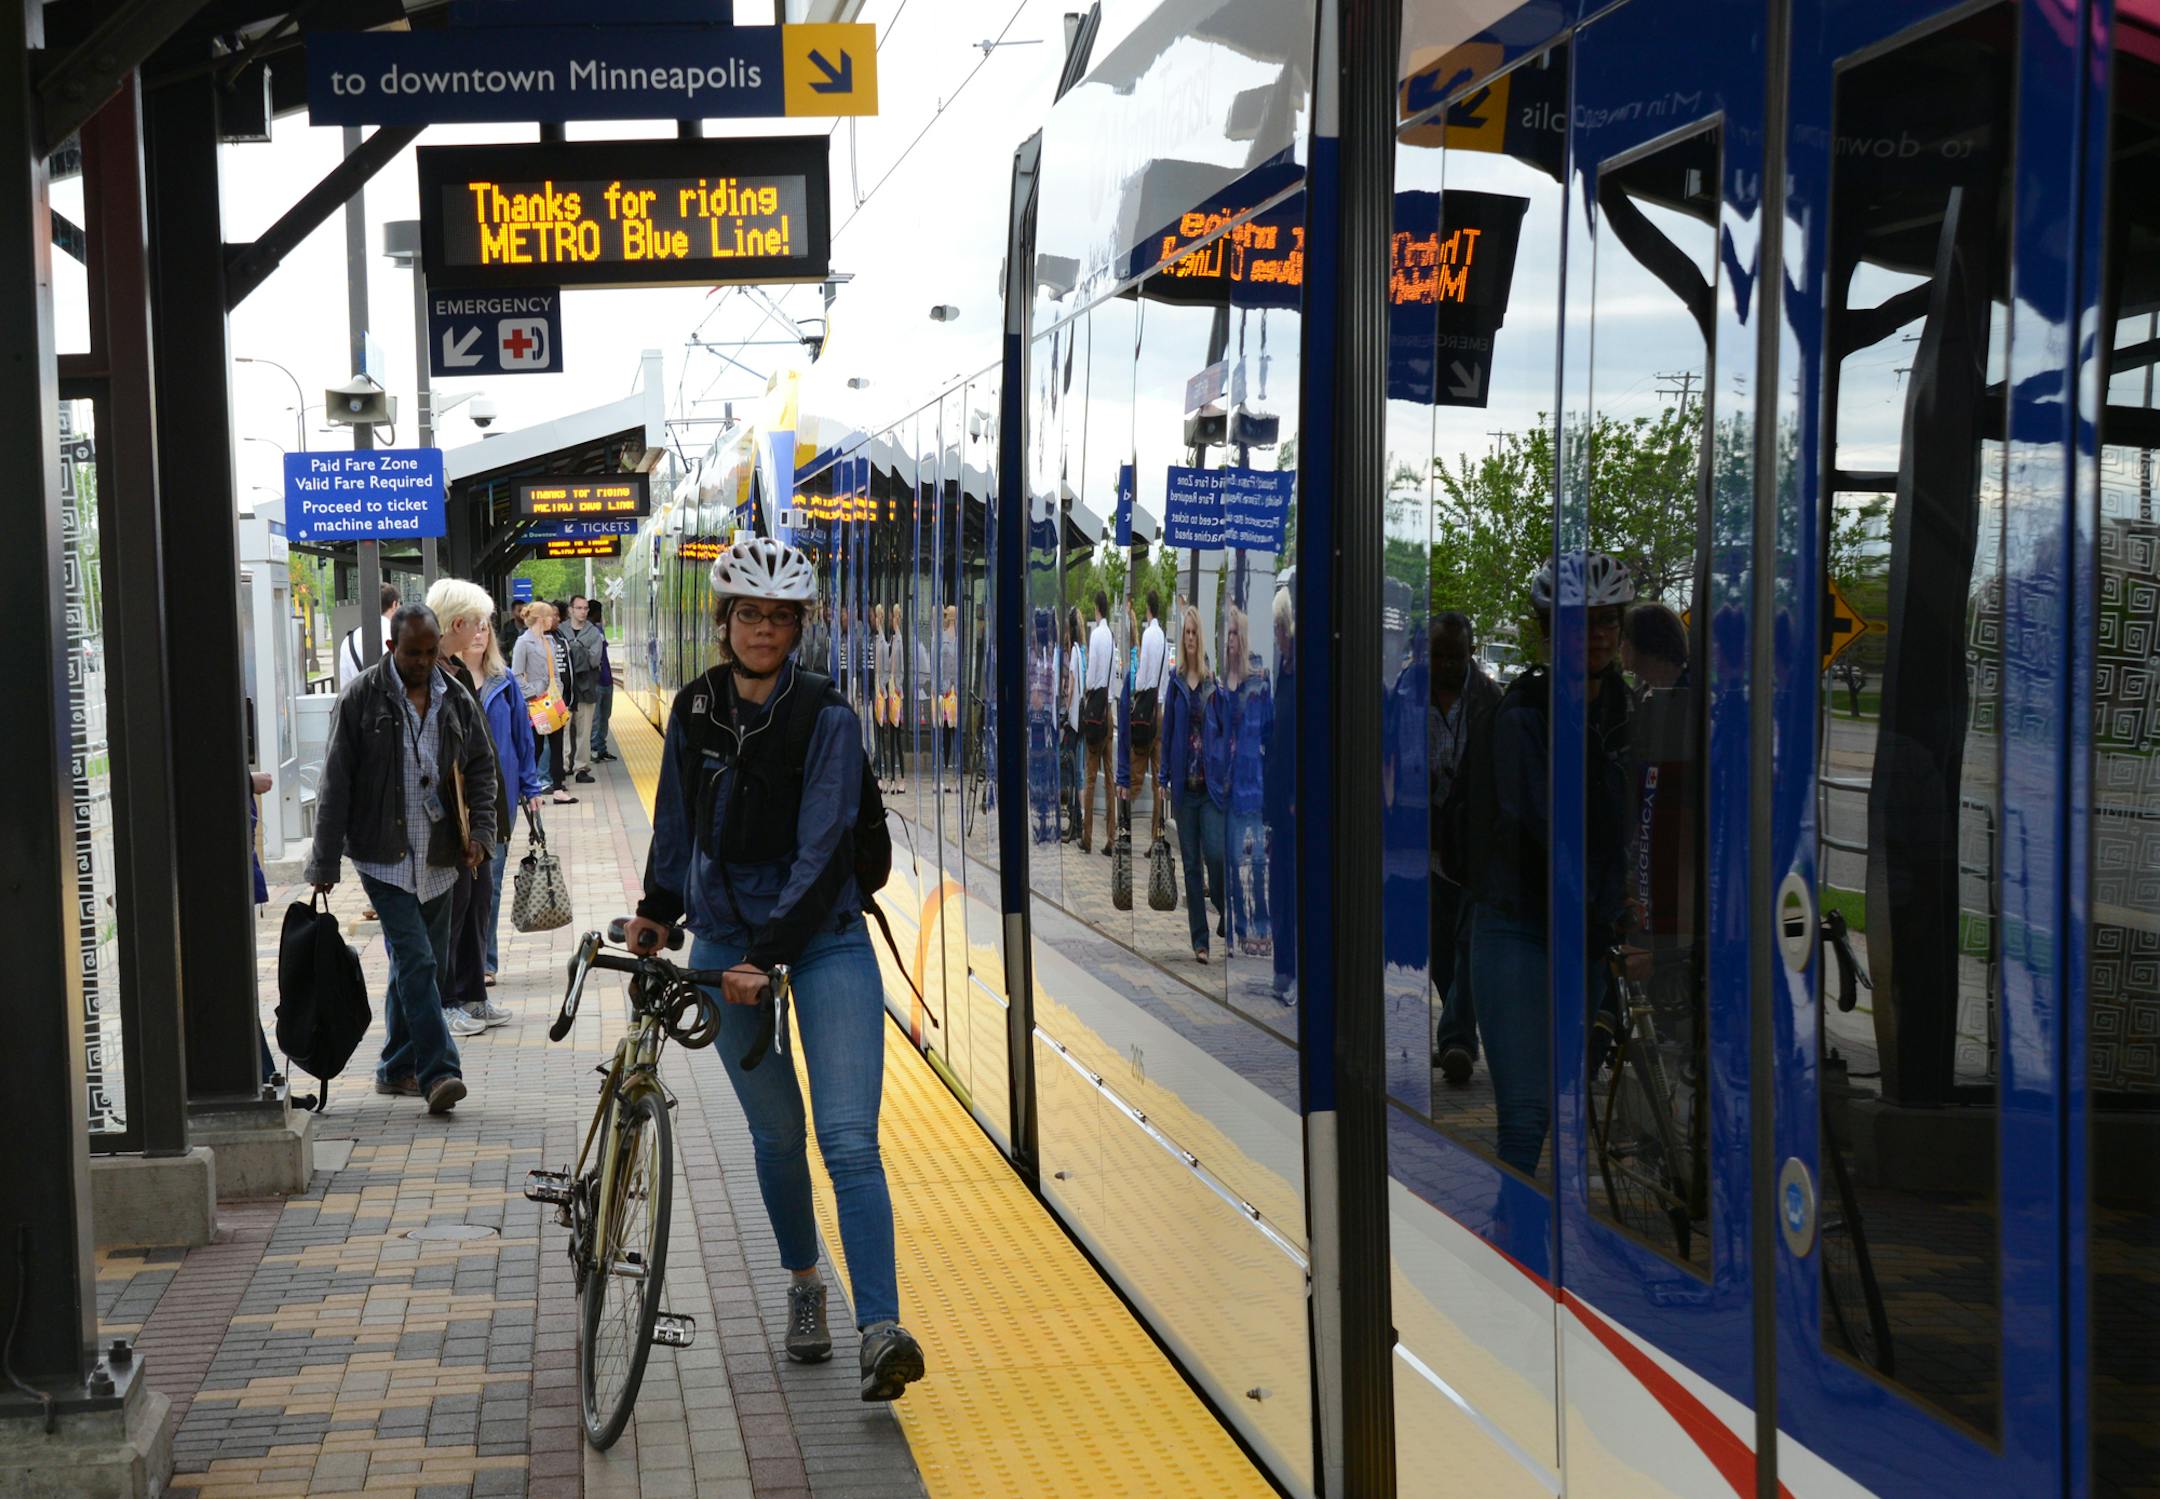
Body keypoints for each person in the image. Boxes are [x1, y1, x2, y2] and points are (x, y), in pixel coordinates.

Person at [626, 536, 926, 1402]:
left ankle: (881, 1328)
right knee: (774, 1134)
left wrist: (771, 954)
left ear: (801, 624)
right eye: (749, 613)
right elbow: (677, 824)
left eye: (781, 615)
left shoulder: (827, 715)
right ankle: (805, 1287)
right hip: (723, 943)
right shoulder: (693, 710)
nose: (764, 628)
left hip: (822, 936)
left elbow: (824, 842)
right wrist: (656, 911)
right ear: (725, 621)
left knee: (847, 1139)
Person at [1464, 553, 1634, 1176]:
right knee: (1529, 1111)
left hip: (1586, 929)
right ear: (1547, 632)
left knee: (1567, 1109)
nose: (1595, 635)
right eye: (1576, 622)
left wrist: (1625, 907)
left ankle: (1549, 1250)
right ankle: (1508, 1248)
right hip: (1519, 924)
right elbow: (1540, 826)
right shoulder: (1522, 714)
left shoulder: (1626, 713)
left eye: (1607, 621)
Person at [305, 603, 497, 1116]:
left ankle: (394, 1066)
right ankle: (440, 1072)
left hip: (440, 859)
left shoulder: (454, 695)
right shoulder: (361, 699)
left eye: (432, 651)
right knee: (416, 960)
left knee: (420, 973)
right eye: (414, 653)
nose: (425, 661)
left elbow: (481, 767)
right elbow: (335, 785)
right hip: (382, 858)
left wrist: (481, 831)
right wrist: (323, 863)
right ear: (393, 648)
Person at [424, 578, 511, 1041]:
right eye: (478, 624)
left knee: (477, 907)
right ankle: (450, 1001)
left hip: (475, 816)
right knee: (454, 913)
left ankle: (473, 993)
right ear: (457, 623)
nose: (482, 631)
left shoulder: (455, 671)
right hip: (451, 821)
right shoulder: (434, 675)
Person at [1428, 612, 1503, 1085]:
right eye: (1438, 655)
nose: (1446, 664)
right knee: (1439, 950)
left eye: (1455, 655)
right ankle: (1460, 1030)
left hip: (1476, 844)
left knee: (1468, 945)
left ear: (1471, 653)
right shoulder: (1406, 695)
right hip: (1430, 844)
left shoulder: (1491, 701)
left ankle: (1456, 1038)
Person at [460, 615, 546, 992]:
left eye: (485, 628)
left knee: (490, 884)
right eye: (472, 627)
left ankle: (484, 961)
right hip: (455, 797)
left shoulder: (504, 680)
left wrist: (531, 788)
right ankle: (461, 961)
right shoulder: (443, 678)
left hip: (498, 797)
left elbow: (522, 739)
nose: (479, 635)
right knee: (461, 885)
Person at [1161, 605, 1225, 962]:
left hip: (1210, 789)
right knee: (1189, 866)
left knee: (1215, 854)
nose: (1188, 639)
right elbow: (1167, 730)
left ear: (1200, 638)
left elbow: (1222, 732)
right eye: (1185, 633)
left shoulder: (1213, 684)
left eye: (1193, 634)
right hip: (1185, 790)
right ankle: (1200, 941)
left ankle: (1222, 905)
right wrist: (1163, 777)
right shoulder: (1174, 684)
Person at [1221, 604, 1274, 957]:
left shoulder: (1257, 678)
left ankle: (1262, 927)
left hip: (1254, 781)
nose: (1230, 641)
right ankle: (1241, 927)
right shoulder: (1225, 681)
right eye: (1227, 635)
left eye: (1234, 633)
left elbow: (1269, 727)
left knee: (1256, 863)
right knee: (1233, 859)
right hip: (1230, 783)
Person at [1265, 588, 1297, 1004]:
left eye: (1277, 627)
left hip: (1294, 804)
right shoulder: (1284, 668)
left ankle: (1289, 969)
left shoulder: (1299, 671)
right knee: (1279, 887)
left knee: (1288, 888)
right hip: (1279, 804)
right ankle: (1282, 967)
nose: (1274, 634)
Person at [514, 603, 578, 803]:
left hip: (553, 701)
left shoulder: (549, 641)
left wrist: (557, 693)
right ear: (541, 619)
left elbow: (556, 672)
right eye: (550, 616)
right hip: (536, 704)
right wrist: (533, 694)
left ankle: (558, 788)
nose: (554, 619)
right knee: (536, 746)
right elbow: (516, 675)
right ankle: (526, 790)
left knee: (557, 745)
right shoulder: (523, 643)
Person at [1130, 589, 1169, 839]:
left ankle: (1124, 827)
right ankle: (1156, 835)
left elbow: (1142, 677)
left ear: (1148, 609)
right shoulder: (1164, 638)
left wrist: (1136, 691)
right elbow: (1163, 677)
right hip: (1161, 711)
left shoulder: (1148, 634)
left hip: (1145, 712)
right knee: (1158, 779)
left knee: (1135, 771)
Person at [1079, 591, 1115, 853]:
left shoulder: (1096, 636)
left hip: (1095, 713)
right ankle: (1111, 838)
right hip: (1109, 712)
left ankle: (1087, 836)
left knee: (1091, 778)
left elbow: (1091, 678)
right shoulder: (1111, 637)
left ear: (1096, 609)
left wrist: (1086, 692)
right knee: (1110, 777)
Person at [560, 596, 600, 784]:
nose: (583, 611)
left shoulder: (594, 632)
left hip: (586, 687)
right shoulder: (560, 630)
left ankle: (581, 767)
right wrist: (581, 651)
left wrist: (572, 651)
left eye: (585, 608)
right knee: (564, 728)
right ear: (571, 610)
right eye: (579, 608)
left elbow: (594, 660)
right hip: (564, 689)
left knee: (584, 729)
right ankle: (563, 765)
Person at [338, 583, 399, 689]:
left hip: (359, 703)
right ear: (394, 605)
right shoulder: (399, 635)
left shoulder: (348, 641)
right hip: (392, 703)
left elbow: (345, 686)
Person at [1060, 606, 1084, 843]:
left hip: (1074, 720)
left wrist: (1065, 707)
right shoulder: (1081, 650)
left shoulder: (1074, 653)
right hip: (1080, 720)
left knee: (1071, 769)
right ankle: (1077, 824)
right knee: (1076, 770)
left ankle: (1075, 824)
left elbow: (1072, 686)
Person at [587, 599, 618, 763]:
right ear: (595, 612)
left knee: (605, 715)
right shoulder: (588, 631)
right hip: (597, 681)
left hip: (607, 679)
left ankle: (601, 747)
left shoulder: (599, 629)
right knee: (597, 717)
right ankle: (594, 748)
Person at [938, 604, 960, 786]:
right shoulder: (943, 638)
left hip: (955, 690)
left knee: (955, 729)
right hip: (946, 691)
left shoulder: (958, 639)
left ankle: (955, 766)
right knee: (946, 728)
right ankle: (945, 765)